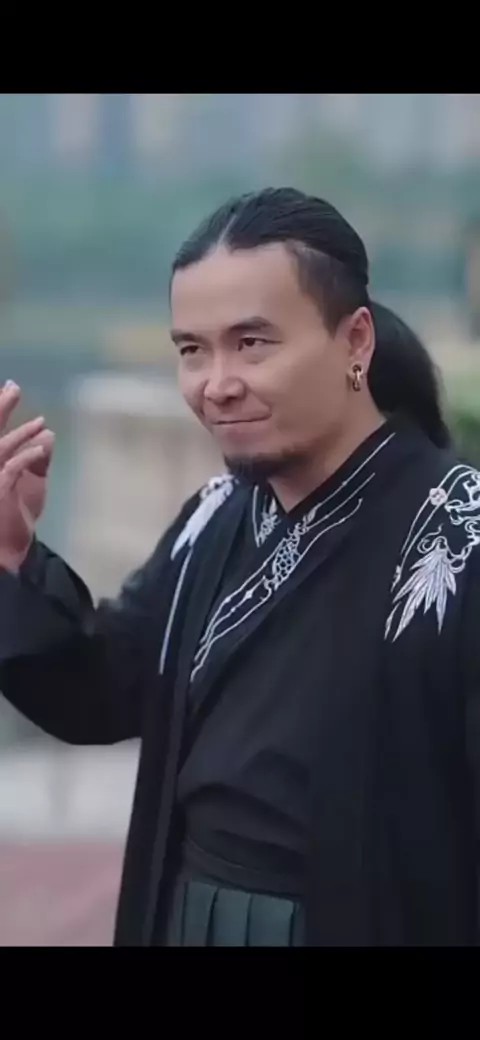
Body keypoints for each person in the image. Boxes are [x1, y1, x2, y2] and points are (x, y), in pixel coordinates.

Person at [0, 187, 479, 948]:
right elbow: (105, 690)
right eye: (192, 350)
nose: (216, 383)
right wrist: (13, 554)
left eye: (252, 343)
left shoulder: (458, 529)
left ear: (355, 341)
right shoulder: (216, 515)